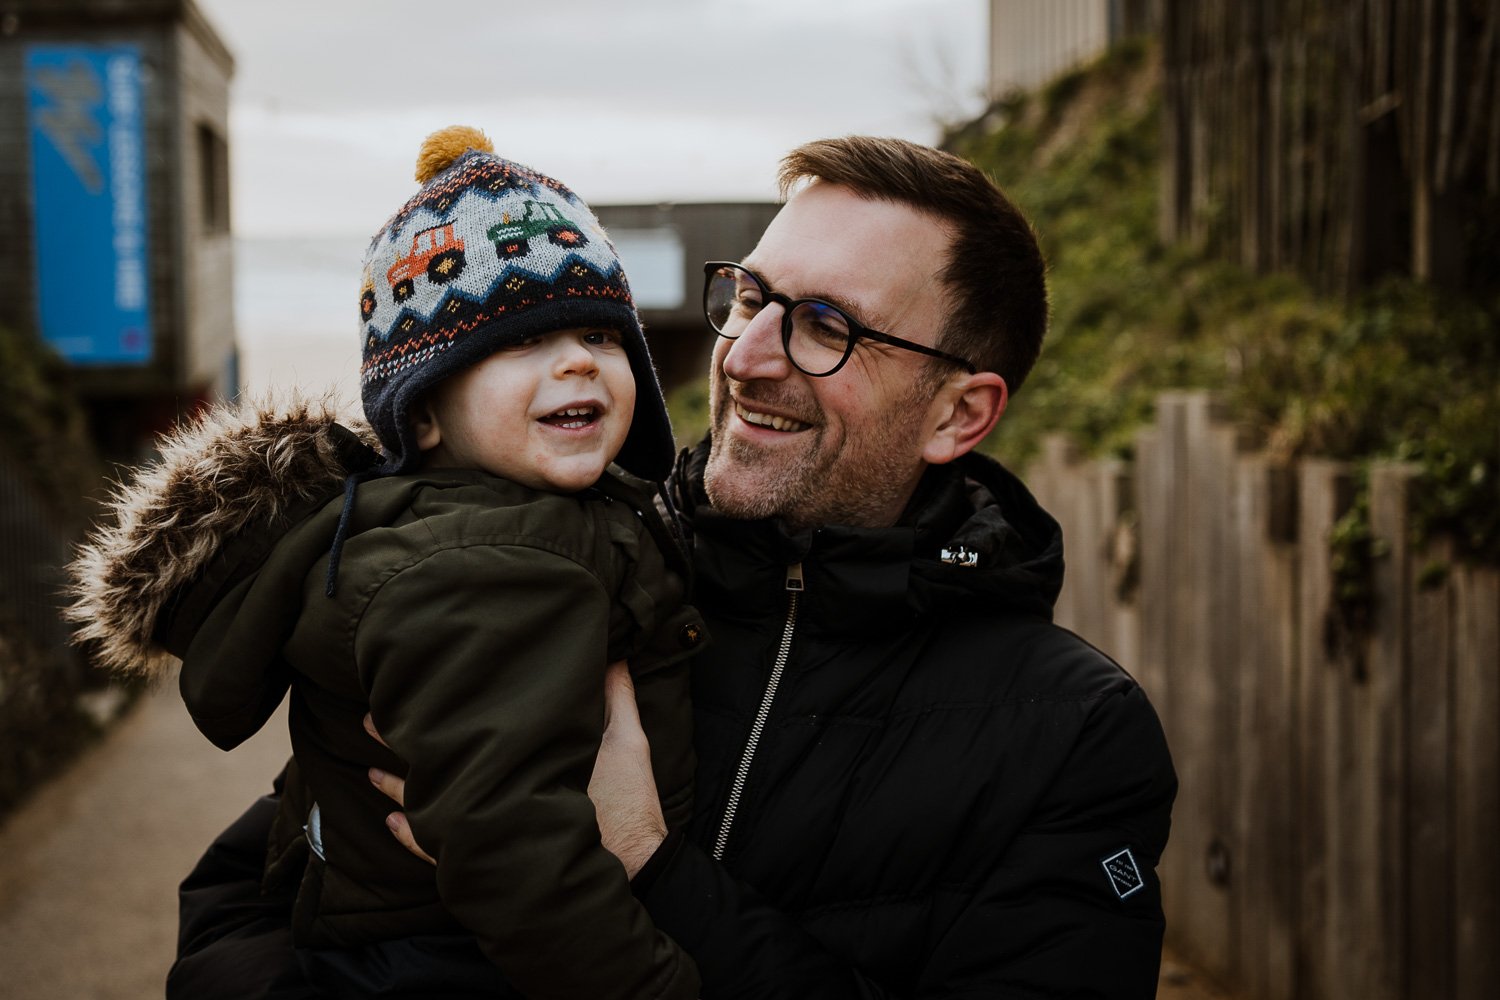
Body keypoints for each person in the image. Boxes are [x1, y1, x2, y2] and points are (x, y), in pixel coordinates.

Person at [160, 134, 1179, 998]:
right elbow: (239, 898)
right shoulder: (553, 567)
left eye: (827, 326)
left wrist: (648, 865)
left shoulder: (1072, 740)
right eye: (751, 297)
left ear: (961, 413)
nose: (742, 356)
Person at [66, 126, 705, 1000]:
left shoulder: (515, 522)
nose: (576, 360)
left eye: (601, 333)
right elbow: (510, 852)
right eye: (519, 343)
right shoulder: (479, 567)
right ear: (425, 418)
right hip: (456, 960)